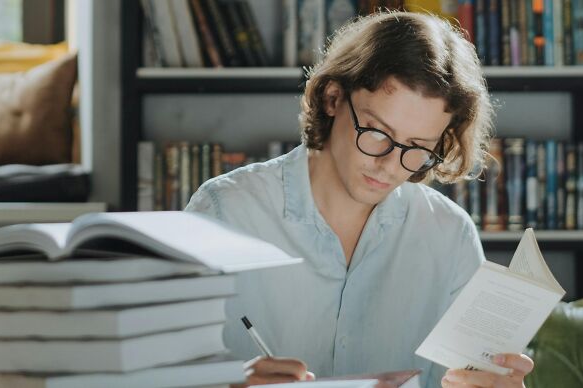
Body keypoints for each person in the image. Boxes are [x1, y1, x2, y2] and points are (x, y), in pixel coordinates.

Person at [185, 11, 534, 388]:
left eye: (417, 147)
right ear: (333, 98)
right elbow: (151, 373)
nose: (387, 165)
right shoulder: (224, 211)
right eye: (377, 132)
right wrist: (225, 382)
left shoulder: (450, 236)